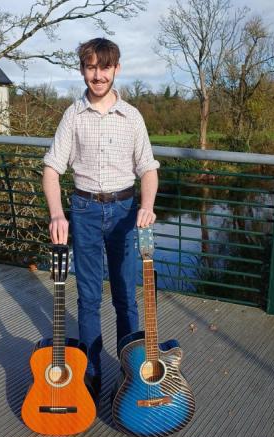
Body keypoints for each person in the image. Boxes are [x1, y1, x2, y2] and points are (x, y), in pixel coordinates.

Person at [42, 38, 160, 402]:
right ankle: (90, 376)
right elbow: (51, 169)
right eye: (91, 67)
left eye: (104, 67)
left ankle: (131, 373)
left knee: (126, 298)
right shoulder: (72, 115)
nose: (98, 75)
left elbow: (149, 169)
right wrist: (57, 213)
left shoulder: (133, 117)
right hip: (85, 211)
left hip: (126, 213)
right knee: (89, 298)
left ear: (116, 69)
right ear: (83, 70)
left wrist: (147, 204)